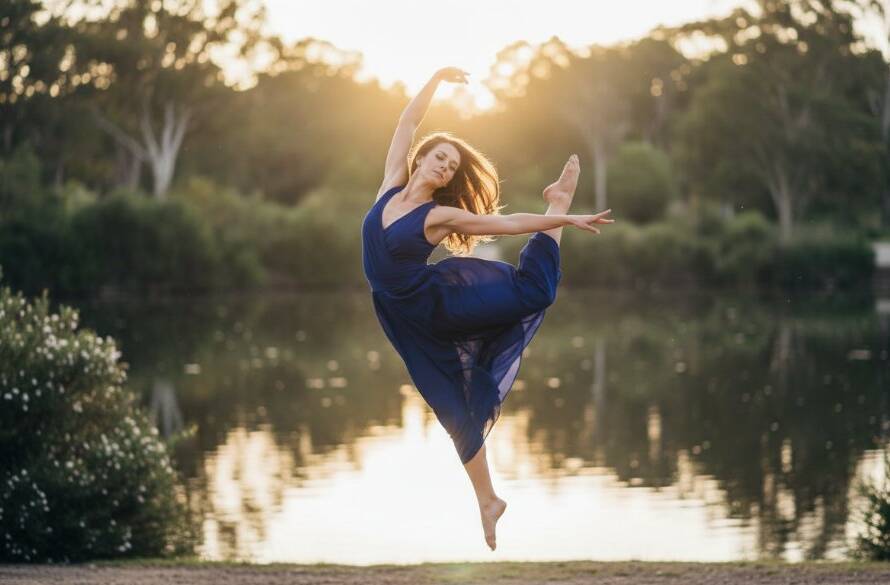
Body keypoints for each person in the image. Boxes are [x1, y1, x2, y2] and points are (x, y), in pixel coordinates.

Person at [360, 67, 614, 551]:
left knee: (535, 293)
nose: (443, 167)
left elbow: (508, 222)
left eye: (451, 167)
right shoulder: (390, 185)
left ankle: (559, 199)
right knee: (451, 406)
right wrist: (434, 77)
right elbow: (407, 122)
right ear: (420, 160)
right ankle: (488, 501)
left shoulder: (438, 216)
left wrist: (564, 215)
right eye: (439, 157)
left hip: (435, 302)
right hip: (399, 317)